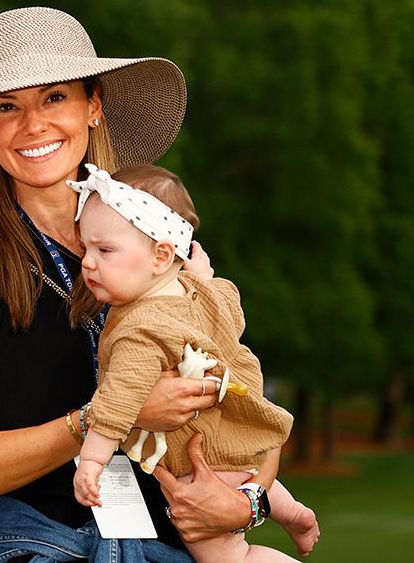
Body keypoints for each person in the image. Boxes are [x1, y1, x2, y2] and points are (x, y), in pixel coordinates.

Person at [0, 6, 284, 562]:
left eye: (55, 97)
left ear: (93, 107)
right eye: (8, 107)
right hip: (46, 545)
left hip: (179, 546)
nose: (33, 125)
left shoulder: (159, 240)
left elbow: (241, 399)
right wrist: (106, 416)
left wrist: (249, 504)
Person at [67, 164, 320, 559]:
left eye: (105, 250)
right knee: (246, 478)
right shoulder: (195, 294)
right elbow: (232, 310)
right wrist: (202, 276)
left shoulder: (142, 327)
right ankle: (290, 511)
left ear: (161, 255)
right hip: (240, 446)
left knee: (231, 557)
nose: (87, 262)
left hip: (200, 466)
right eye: (85, 249)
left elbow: (117, 402)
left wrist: (93, 461)